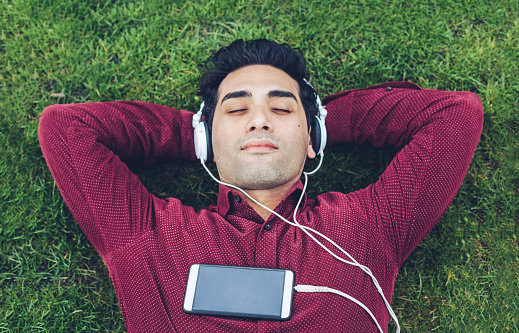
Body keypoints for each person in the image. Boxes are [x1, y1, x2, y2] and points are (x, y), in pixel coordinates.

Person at [38, 39, 483, 333]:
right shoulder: (149, 236)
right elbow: (66, 127)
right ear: (206, 139)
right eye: (235, 110)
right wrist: (196, 135)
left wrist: (320, 125)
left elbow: (455, 115)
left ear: (311, 140)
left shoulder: (368, 228)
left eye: (282, 109)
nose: (259, 119)